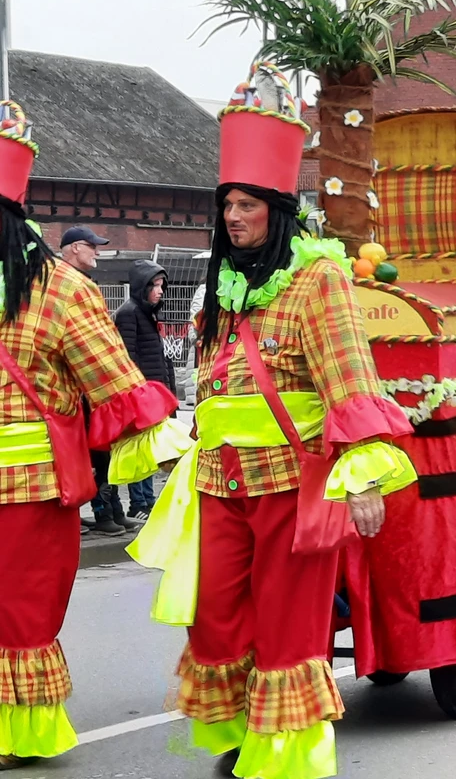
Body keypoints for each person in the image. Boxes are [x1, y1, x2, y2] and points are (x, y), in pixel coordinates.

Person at [128, 64, 417, 779]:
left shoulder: (320, 278)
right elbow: (210, 380)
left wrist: (363, 478)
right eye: (227, 204)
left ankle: (285, 758)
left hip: (292, 482)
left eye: (248, 205)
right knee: (215, 617)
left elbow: (351, 379)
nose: (234, 216)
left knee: (289, 626)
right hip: (218, 481)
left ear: (277, 211)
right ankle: (236, 731)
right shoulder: (223, 284)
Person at [0, 102, 189, 770]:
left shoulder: (58, 289)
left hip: (28, 485)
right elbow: (116, 386)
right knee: (17, 609)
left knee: (16, 609)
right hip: (28, 485)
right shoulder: (61, 289)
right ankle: (15, 729)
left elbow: (116, 386)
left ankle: (14, 730)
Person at [58, 226, 136, 537]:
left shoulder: (80, 283)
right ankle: (95, 513)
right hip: (76, 394)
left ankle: (108, 510)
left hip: (88, 394)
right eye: (92, 246)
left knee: (101, 455)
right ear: (75, 248)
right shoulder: (64, 286)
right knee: (85, 457)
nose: (98, 252)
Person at [114, 260, 177, 519]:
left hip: (155, 392)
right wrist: (138, 393)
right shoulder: (129, 313)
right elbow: (129, 356)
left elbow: (160, 357)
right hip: (142, 394)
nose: (160, 291)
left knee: (151, 448)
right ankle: (138, 502)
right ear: (143, 287)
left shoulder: (149, 313)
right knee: (140, 448)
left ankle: (147, 500)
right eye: (155, 286)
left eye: (162, 286)